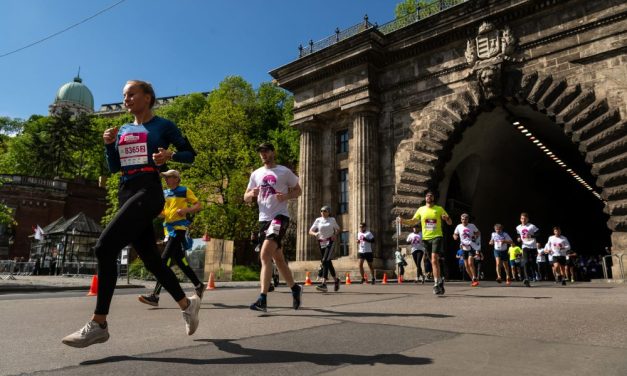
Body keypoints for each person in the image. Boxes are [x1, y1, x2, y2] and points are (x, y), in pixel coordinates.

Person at [62, 80, 201, 348]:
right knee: (151, 259)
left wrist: (169, 156)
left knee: (104, 247)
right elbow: (114, 166)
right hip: (126, 191)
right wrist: (108, 144)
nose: (126, 99)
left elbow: (190, 155)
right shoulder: (123, 129)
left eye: (131, 94)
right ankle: (187, 304)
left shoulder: (163, 126)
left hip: (148, 190)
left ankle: (99, 323)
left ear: (147, 97)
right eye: (123, 95)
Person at [245, 142, 303, 312]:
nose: (263, 154)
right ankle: (295, 288)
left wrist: (285, 196)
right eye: (261, 152)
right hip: (263, 220)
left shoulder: (284, 171)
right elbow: (246, 197)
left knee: (264, 255)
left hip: (280, 218)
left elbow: (298, 191)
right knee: (278, 259)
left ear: (272, 152)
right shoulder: (256, 174)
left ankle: (262, 298)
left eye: (266, 151)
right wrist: (251, 194)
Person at [138, 169, 204, 307]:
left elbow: (199, 205)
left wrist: (186, 210)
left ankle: (155, 296)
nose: (166, 180)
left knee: (163, 261)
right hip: (168, 230)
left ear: (176, 178)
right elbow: (164, 213)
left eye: (168, 177)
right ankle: (198, 285)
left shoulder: (184, 190)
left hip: (178, 230)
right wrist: (154, 213)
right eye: (165, 178)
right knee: (180, 261)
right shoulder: (165, 193)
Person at [398, 191, 452, 295]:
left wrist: (447, 219)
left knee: (434, 259)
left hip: (437, 236)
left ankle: (436, 284)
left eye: (431, 195)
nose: (429, 197)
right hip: (426, 238)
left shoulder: (439, 209)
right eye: (427, 195)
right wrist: (403, 221)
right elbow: (413, 221)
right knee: (433, 261)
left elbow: (450, 222)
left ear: (433, 198)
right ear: (425, 198)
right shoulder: (421, 209)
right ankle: (440, 280)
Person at [309, 205, 341, 292]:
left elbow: (338, 229)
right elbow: (310, 231)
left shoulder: (332, 220)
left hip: (330, 242)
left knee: (325, 260)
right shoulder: (318, 220)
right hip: (321, 242)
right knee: (328, 262)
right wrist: (315, 234)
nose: (323, 212)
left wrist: (335, 235)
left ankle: (324, 284)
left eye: (325, 211)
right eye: (321, 211)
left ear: (328, 212)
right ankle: (336, 280)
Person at [453, 213, 480, 287]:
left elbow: (478, 233)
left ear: (468, 219)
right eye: (462, 219)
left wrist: (475, 236)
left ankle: (474, 277)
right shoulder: (458, 226)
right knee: (466, 265)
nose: (464, 221)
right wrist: (455, 236)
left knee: (470, 263)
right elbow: (455, 234)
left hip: (471, 246)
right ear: (461, 220)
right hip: (463, 247)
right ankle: (473, 280)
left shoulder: (472, 226)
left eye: (465, 219)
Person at [516, 212, 540, 287]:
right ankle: (526, 279)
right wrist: (518, 238)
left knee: (532, 262)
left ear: (527, 219)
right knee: (525, 261)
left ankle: (536, 273)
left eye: (525, 218)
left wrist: (531, 235)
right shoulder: (518, 227)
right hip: (524, 246)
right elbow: (518, 234)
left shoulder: (532, 226)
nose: (523, 220)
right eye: (522, 218)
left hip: (532, 246)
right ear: (520, 219)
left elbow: (538, 233)